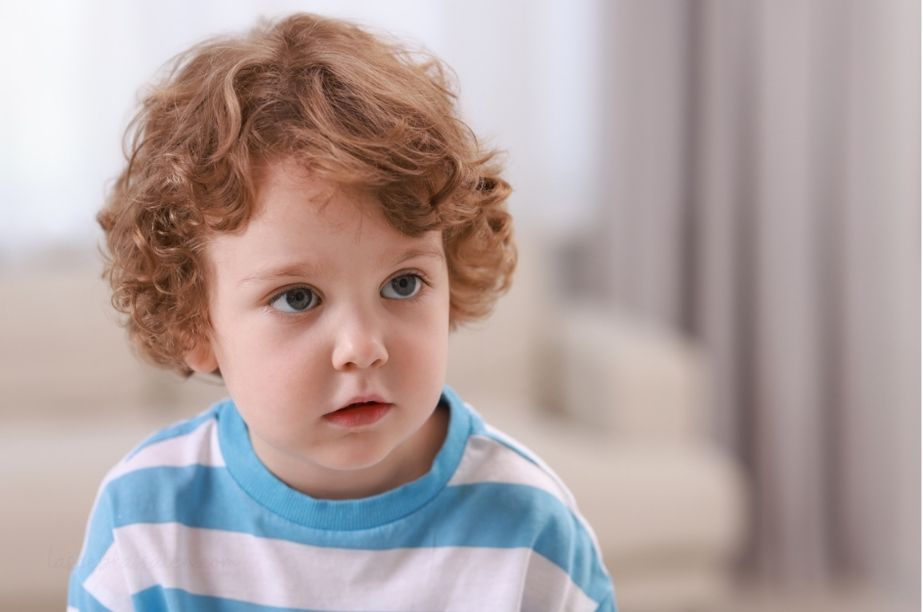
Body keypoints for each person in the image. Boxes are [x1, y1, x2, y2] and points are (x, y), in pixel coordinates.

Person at [68, 12, 616, 611]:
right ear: (195, 327)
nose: (362, 347)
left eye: (403, 284)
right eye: (297, 298)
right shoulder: (144, 523)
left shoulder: (530, 527)